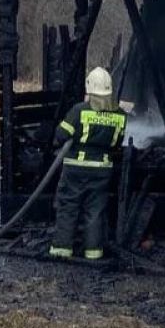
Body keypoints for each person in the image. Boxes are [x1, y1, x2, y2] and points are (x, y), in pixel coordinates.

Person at [48, 67, 127, 260]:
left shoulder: (79, 110)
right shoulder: (120, 115)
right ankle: (93, 252)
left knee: (69, 206)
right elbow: (117, 144)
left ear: (89, 89)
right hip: (102, 170)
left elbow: (61, 135)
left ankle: (62, 250)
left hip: (76, 167)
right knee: (95, 210)